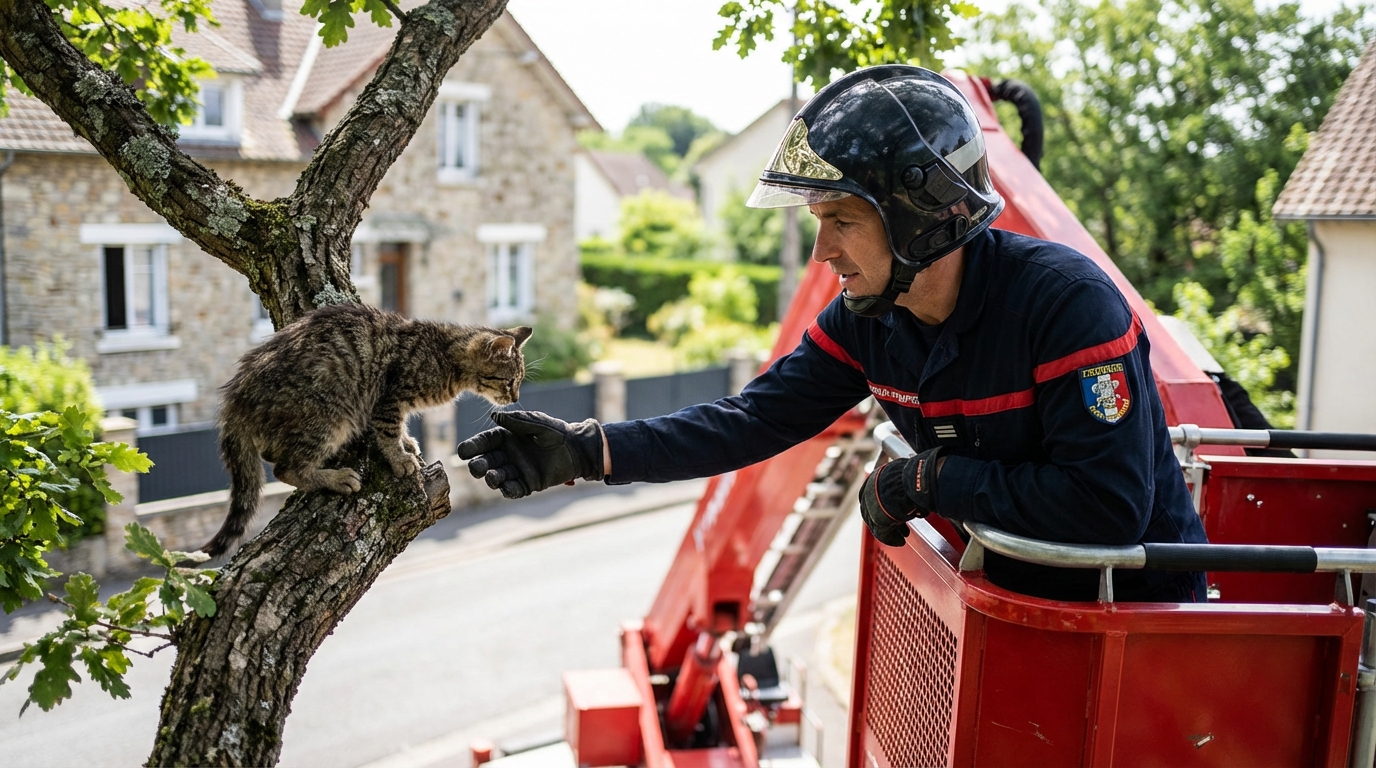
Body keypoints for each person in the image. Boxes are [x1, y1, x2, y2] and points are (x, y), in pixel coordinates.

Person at [458, 65, 1208, 603]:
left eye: (842, 220)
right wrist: (586, 450)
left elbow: (1104, 506)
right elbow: (751, 420)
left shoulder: (1066, 306)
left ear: (919, 215)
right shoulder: (868, 319)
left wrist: (929, 480)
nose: (822, 252)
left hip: (1140, 628)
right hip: (1013, 609)